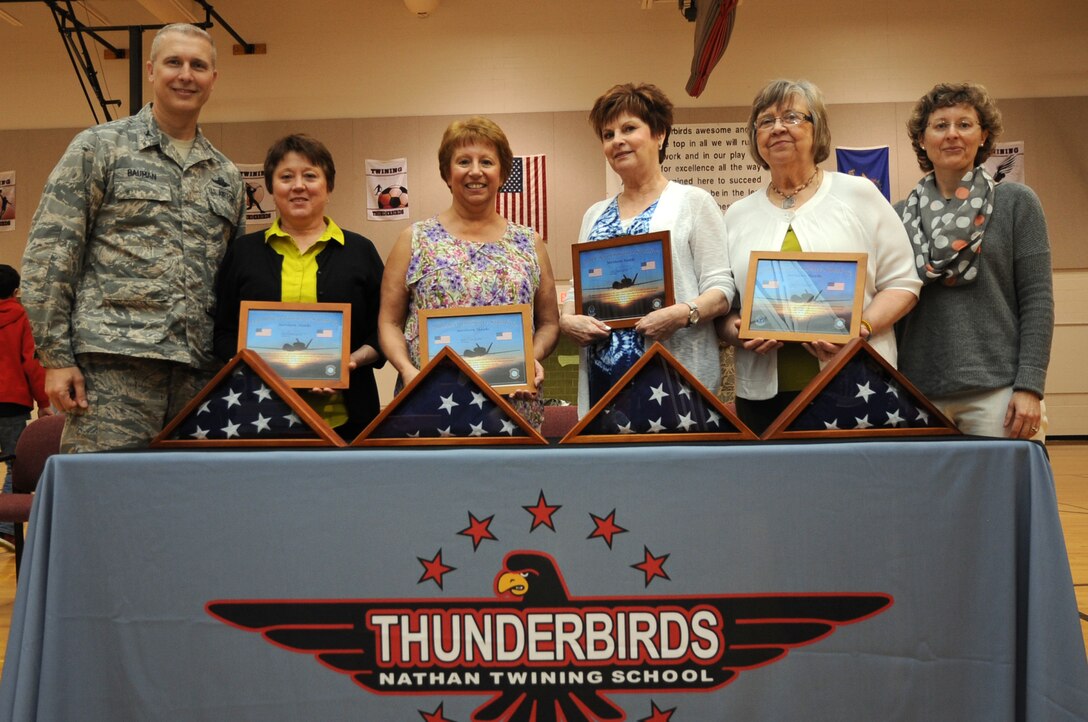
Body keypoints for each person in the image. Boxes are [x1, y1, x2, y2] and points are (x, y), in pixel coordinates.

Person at [20, 23, 245, 453]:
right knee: (106, 504)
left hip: (200, 375)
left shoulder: (226, 176)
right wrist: (55, 358)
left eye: (198, 65)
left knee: (190, 507)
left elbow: (234, 279)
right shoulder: (99, 148)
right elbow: (51, 256)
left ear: (213, 79)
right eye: (173, 62)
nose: (186, 75)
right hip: (113, 370)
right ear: (150, 70)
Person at [716, 79, 921, 434]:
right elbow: (726, 304)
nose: (778, 127)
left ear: (817, 129)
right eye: (766, 121)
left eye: (792, 117)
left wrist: (862, 328)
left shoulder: (859, 195)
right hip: (764, 396)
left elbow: (903, 283)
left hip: (856, 381)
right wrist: (736, 330)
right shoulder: (737, 214)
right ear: (755, 137)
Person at [559, 83, 734, 415]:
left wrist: (682, 314)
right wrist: (568, 321)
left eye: (628, 128)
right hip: (604, 386)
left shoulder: (692, 203)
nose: (617, 141)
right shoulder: (593, 214)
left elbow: (721, 289)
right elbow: (576, 292)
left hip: (676, 380)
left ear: (660, 134)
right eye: (608, 134)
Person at [378, 116, 560, 429]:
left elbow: (548, 323)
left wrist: (534, 355)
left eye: (486, 161)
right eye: (463, 161)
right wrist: (407, 369)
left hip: (512, 407)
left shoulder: (530, 243)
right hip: (430, 404)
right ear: (447, 173)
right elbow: (389, 321)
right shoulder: (414, 239)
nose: (475, 171)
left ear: (502, 173)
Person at [895, 82, 1053, 440]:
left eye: (964, 124)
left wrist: (1030, 386)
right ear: (922, 139)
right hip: (919, 395)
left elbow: (1038, 301)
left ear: (983, 136)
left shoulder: (1016, 203)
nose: (952, 134)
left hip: (1000, 394)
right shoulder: (898, 216)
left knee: (1002, 496)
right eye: (940, 125)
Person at [214, 134, 385, 441]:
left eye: (310, 176)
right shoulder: (242, 253)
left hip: (347, 421)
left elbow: (383, 330)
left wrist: (351, 361)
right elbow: (222, 332)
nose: (298, 186)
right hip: (257, 417)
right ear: (271, 187)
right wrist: (252, 364)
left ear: (328, 186)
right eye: (286, 177)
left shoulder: (361, 251)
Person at [0, 265, 53, 548]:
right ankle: (7, 528)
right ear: (15, 291)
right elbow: (30, 363)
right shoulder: (21, 317)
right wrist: (44, 403)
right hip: (11, 400)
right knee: (12, 464)